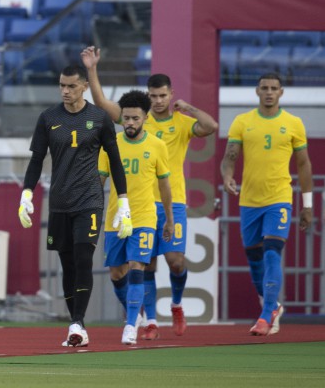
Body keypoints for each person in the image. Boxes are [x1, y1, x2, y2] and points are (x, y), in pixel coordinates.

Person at [82, 46, 218, 338]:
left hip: (172, 199)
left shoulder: (181, 123)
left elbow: (211, 126)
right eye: (153, 96)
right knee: (144, 264)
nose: (157, 101)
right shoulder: (136, 117)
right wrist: (92, 69)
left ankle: (177, 305)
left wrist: (190, 108)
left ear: (171, 95)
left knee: (175, 260)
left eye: (162, 95)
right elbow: (101, 102)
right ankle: (150, 320)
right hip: (137, 203)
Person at [18, 65, 127, 348]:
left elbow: (115, 161)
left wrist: (123, 200)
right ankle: (76, 324)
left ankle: (77, 322)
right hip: (59, 202)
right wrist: (26, 194)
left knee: (83, 259)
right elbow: (36, 160)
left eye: (71, 86)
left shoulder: (99, 118)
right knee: (67, 265)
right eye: (62, 86)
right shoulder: (48, 118)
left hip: (89, 200)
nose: (65, 91)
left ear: (84, 87)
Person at [220, 72, 314, 336]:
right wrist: (227, 177)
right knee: (254, 259)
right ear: (257, 91)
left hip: (279, 198)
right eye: (265, 88)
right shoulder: (243, 121)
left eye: (274, 88)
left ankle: (266, 313)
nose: (269, 92)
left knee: (273, 252)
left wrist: (307, 205)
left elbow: (304, 164)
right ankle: (273, 304)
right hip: (249, 200)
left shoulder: (293, 123)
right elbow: (230, 157)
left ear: (281, 92)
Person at [98, 90, 174, 345]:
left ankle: (130, 325)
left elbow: (165, 185)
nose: (130, 123)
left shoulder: (156, 146)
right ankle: (136, 313)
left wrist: (170, 219)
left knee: (137, 268)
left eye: (135, 118)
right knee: (116, 274)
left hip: (143, 218)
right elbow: (99, 180)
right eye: (126, 118)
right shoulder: (110, 144)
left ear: (145, 118)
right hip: (115, 219)